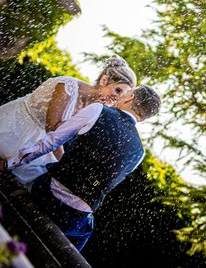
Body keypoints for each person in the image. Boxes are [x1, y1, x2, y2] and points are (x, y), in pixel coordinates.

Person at [0, 84, 161, 251]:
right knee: (82, 236)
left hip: (47, 196)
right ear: (144, 117)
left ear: (130, 98)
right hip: (75, 220)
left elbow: (51, 141)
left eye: (126, 93)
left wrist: (9, 163)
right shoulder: (139, 153)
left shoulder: (99, 110)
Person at [0, 56, 136, 188]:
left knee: (47, 183)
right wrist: (65, 166)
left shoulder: (95, 111)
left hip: (40, 143)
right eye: (117, 90)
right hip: (16, 126)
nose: (116, 98)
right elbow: (52, 128)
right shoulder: (68, 87)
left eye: (121, 97)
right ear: (104, 80)